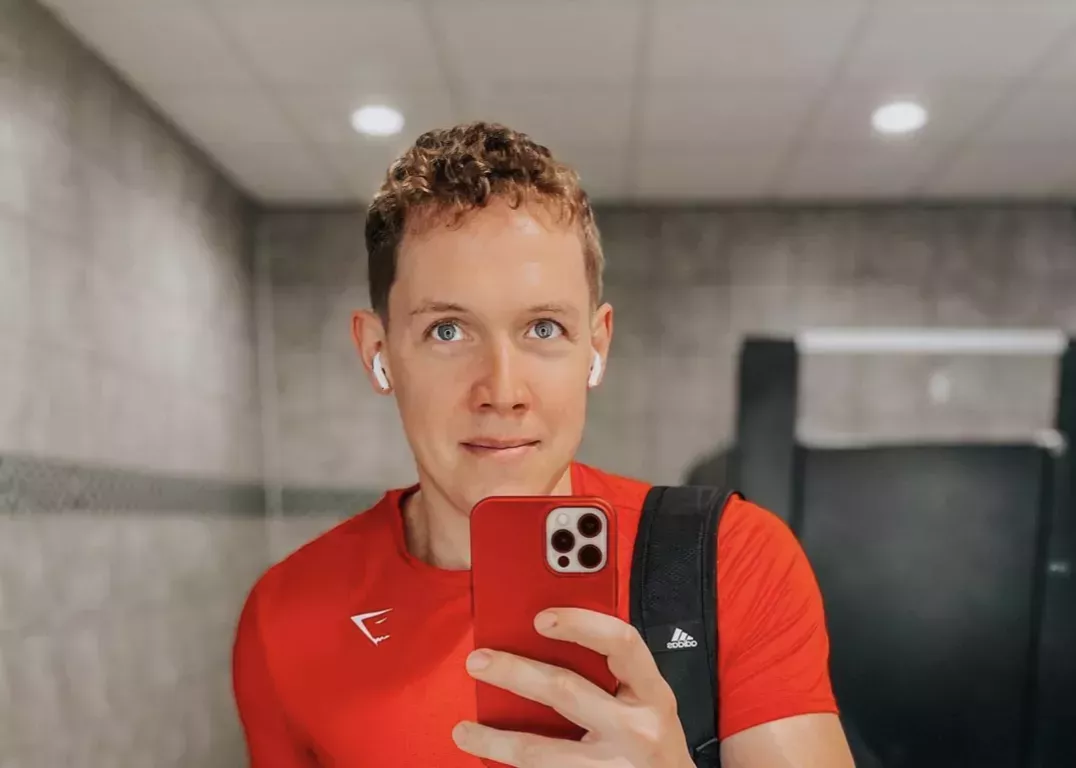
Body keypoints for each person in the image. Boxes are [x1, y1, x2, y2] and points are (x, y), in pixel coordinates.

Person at [232, 121, 856, 767]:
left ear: (597, 345)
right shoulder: (286, 615)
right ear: (378, 352)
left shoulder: (732, 561)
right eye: (448, 330)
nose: (502, 391)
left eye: (544, 327)